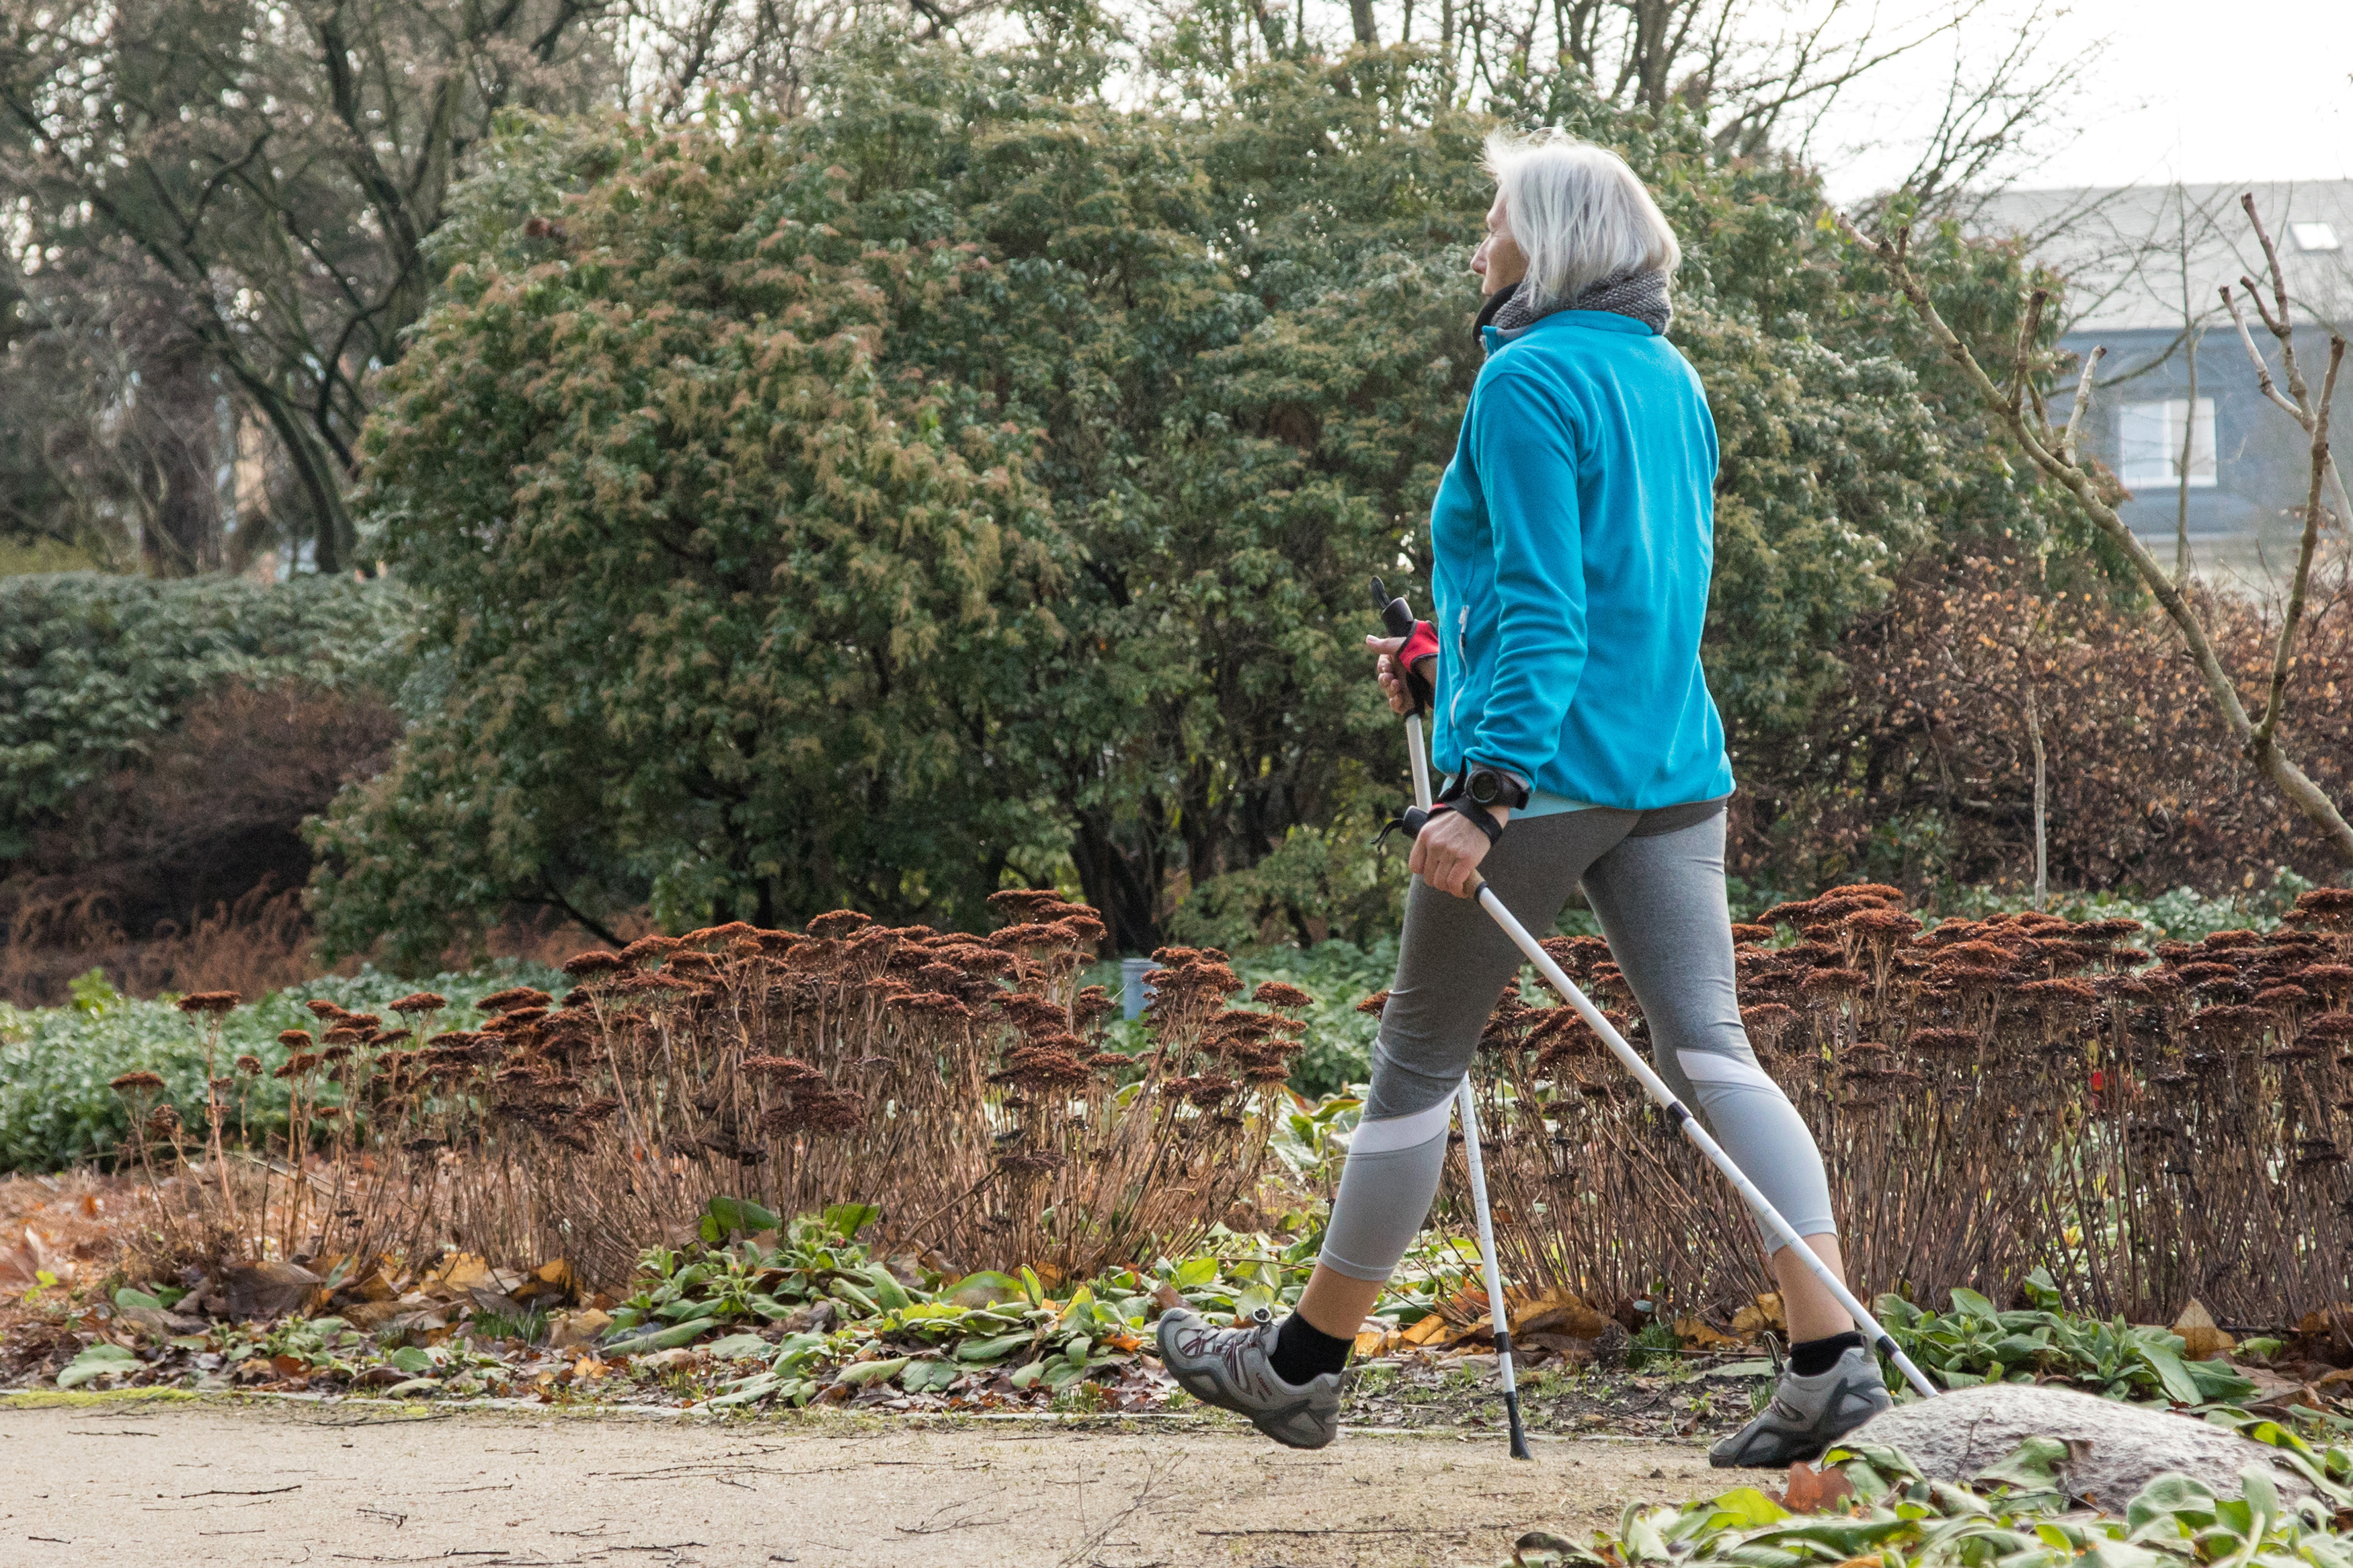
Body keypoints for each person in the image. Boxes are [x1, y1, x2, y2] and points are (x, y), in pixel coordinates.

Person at [1156, 130, 1891, 1466]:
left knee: (1414, 1067)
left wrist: (1481, 792)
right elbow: (1620, 594)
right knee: (1710, 1053)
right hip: (1672, 767)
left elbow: (1553, 612)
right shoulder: (1669, 379)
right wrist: (1445, 659)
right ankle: (1830, 1355)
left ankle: (1300, 1369)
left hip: (1544, 779)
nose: (1477, 241)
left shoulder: (1523, 384)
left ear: (1544, 244)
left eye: (1493, 219)